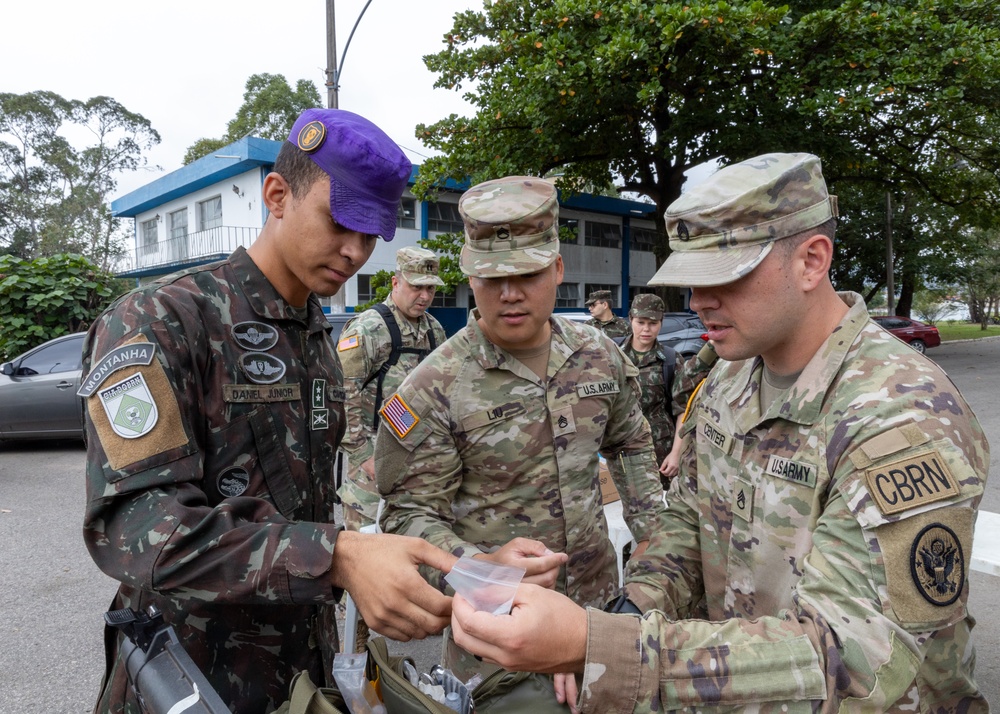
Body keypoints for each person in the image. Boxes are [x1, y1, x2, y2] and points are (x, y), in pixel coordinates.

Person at [449, 153, 990, 711]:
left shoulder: (900, 416)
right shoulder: (732, 375)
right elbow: (688, 518)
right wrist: (629, 612)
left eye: (724, 277)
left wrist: (604, 645)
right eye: (690, 280)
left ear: (811, 261)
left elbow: (850, 660)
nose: (699, 301)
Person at [80, 108, 456, 714]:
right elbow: (138, 530)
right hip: (193, 681)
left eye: (371, 236)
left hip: (299, 675)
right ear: (277, 195)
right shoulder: (163, 320)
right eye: (341, 223)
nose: (355, 251)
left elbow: (306, 503)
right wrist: (336, 556)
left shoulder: (315, 337)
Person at [374, 175, 669, 682]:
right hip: (495, 640)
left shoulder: (599, 355)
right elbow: (407, 518)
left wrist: (649, 534)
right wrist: (478, 568)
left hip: (598, 620)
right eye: (491, 278)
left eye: (527, 273)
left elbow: (631, 441)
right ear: (471, 279)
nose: (510, 294)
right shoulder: (432, 386)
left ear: (556, 269)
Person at [337, 246, 447, 531]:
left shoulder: (434, 329)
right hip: (373, 461)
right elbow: (339, 394)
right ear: (396, 283)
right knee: (366, 556)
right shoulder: (369, 329)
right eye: (416, 287)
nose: (424, 296)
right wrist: (364, 457)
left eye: (431, 289)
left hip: (419, 463)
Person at [617, 293, 715, 487]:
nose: (646, 329)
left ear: (661, 323)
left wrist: (676, 453)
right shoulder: (613, 355)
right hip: (621, 450)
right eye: (641, 322)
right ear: (630, 320)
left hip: (660, 450)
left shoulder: (670, 359)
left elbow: (683, 410)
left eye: (653, 323)